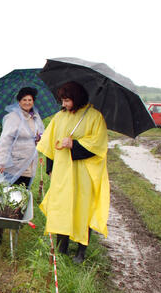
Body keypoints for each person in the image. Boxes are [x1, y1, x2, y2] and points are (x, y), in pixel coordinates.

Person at [36, 81, 110, 263]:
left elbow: (99, 145)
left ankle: (81, 251)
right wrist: (50, 168)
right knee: (61, 207)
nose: (64, 105)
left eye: (67, 100)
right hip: (62, 173)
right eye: (62, 100)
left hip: (83, 173)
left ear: (76, 99)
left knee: (82, 209)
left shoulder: (94, 117)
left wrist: (75, 144)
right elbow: (50, 144)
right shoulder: (59, 118)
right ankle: (62, 247)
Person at [0, 87, 45, 242]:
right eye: (24, 100)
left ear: (33, 102)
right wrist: (1, 161)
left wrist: (40, 138)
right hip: (14, 164)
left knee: (20, 197)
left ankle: (14, 227)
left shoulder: (35, 117)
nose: (27, 102)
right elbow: (5, 140)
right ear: (19, 101)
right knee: (5, 197)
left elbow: (41, 134)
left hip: (28, 164)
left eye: (30, 100)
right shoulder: (13, 117)